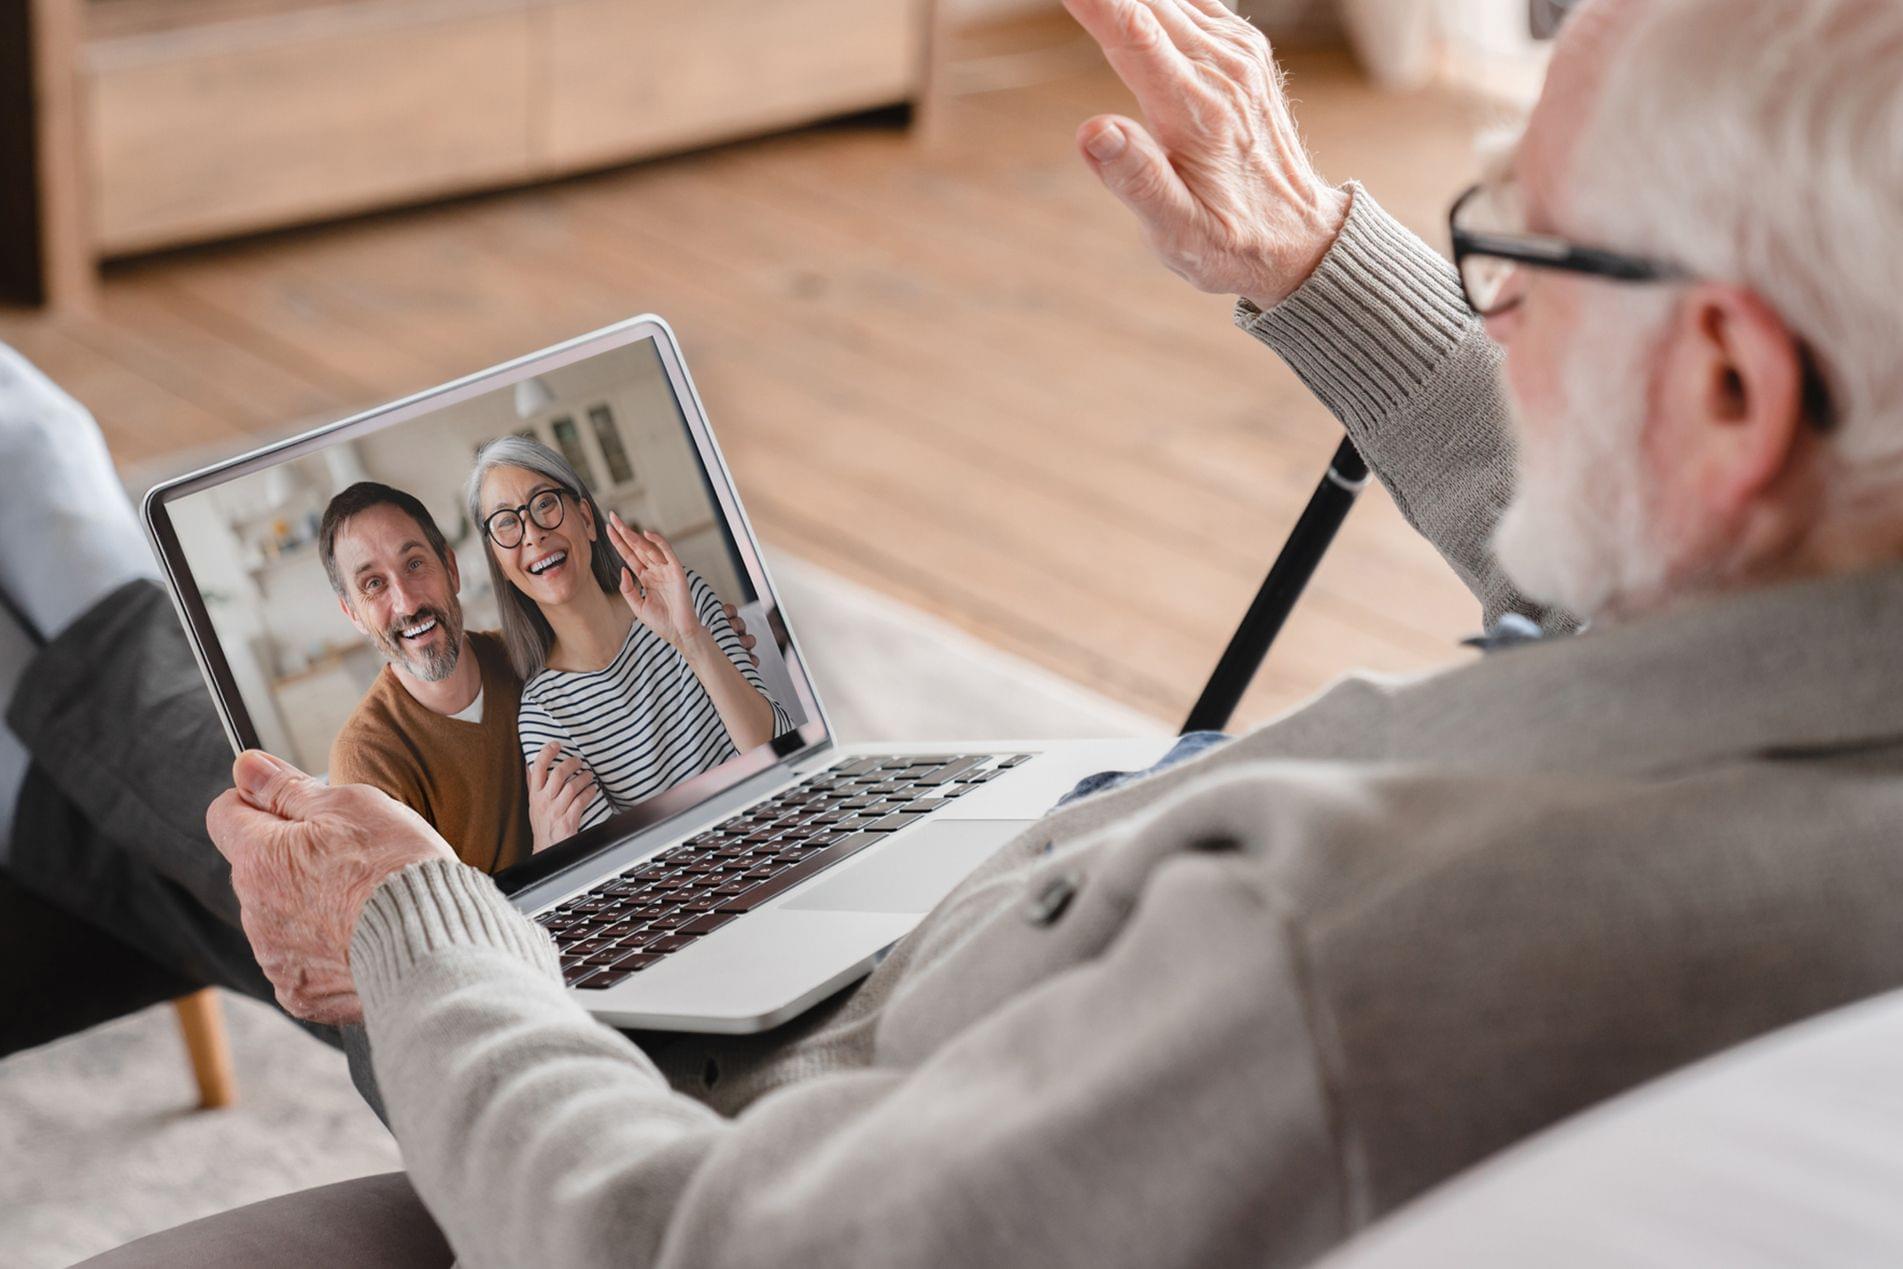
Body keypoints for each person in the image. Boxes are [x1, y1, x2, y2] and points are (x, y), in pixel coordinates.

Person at [14, 0, 1903, 1262]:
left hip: (754, 1127)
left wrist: (427, 934)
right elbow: (1670, 567)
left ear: (1725, 384)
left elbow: (698, 1242)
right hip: (979, 932)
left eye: (1516, 250)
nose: (1482, 298)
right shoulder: (1832, 694)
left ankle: (68, 600)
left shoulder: (1339, 956)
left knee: (322, 843)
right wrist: (1326, 270)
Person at [464, 437, 792, 840]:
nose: (532, 533)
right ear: (499, 560)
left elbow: (778, 748)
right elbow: (623, 860)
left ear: (586, 519)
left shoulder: (677, 597)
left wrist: (691, 640)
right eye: (506, 523)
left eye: (545, 503)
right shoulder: (544, 716)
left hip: (785, 819)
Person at [318, 481, 536, 872]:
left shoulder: (527, 656)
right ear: (353, 615)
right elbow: (426, 928)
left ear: (451, 569)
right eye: (374, 584)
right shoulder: (365, 761)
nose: (406, 602)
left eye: (415, 564)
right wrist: (551, 851)